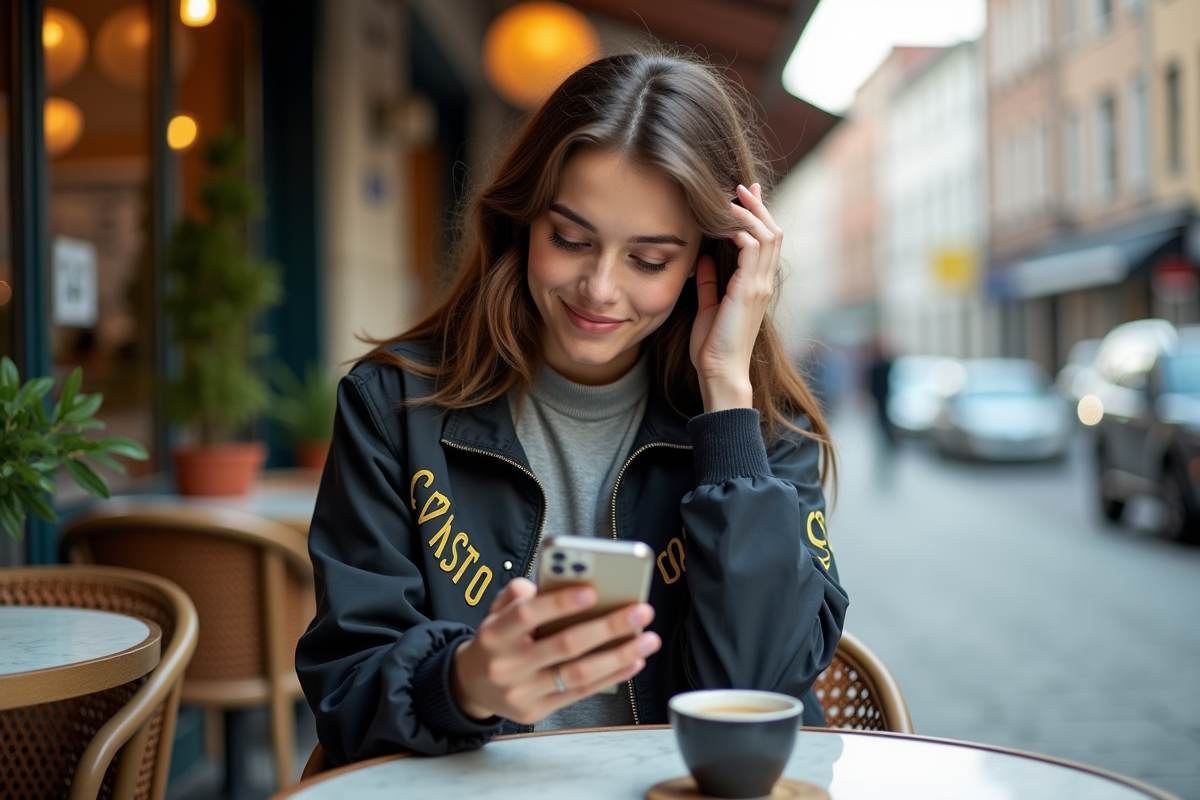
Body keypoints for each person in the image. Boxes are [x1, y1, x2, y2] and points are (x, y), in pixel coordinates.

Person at [296, 51, 849, 765]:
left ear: (712, 263)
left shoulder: (762, 429)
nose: (599, 289)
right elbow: (346, 688)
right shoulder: (394, 405)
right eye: (570, 239)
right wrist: (460, 684)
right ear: (523, 222)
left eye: (649, 259)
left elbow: (758, 692)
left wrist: (726, 407)